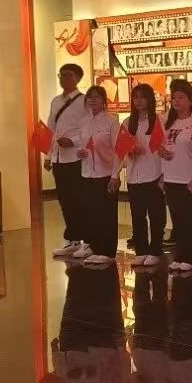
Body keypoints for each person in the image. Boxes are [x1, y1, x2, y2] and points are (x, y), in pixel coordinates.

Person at [45, 63, 90, 258]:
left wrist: (73, 141)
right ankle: (72, 239)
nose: (64, 79)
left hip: (75, 158)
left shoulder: (84, 101)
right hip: (58, 159)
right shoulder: (56, 101)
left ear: (77, 78)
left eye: (68, 75)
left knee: (80, 200)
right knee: (65, 200)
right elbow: (50, 130)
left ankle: (88, 240)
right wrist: (48, 155)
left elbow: (89, 129)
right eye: (61, 75)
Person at [74, 86, 121, 266]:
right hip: (87, 173)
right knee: (91, 213)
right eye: (90, 97)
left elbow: (118, 150)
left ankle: (108, 251)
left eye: (97, 97)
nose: (93, 100)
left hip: (106, 174)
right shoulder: (84, 121)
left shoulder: (111, 121)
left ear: (103, 100)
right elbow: (82, 144)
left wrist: (115, 175)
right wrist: (81, 152)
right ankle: (95, 247)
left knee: (106, 214)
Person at [123, 84, 167, 268]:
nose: (138, 101)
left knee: (156, 215)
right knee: (137, 216)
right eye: (135, 97)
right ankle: (141, 251)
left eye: (142, 97)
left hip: (154, 174)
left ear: (150, 99)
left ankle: (155, 250)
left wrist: (164, 175)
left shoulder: (159, 121)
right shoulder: (127, 123)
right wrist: (129, 152)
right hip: (134, 176)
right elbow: (120, 149)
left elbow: (165, 147)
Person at [161, 80, 192, 273]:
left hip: (188, 178)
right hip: (171, 177)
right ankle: (180, 255)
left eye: (181, 97)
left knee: (191, 220)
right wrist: (161, 153)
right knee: (177, 220)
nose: (176, 101)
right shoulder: (168, 122)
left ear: (191, 100)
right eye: (174, 97)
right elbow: (161, 145)